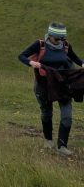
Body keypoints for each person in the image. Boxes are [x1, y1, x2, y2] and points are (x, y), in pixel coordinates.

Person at [18, 22, 83, 156]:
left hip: (63, 86)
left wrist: (82, 64)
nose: (59, 41)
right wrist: (31, 63)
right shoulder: (40, 45)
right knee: (47, 113)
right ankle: (48, 140)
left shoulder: (65, 46)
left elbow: (75, 58)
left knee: (67, 117)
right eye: (57, 39)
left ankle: (62, 146)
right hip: (44, 86)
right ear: (50, 36)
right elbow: (21, 56)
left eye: (62, 39)